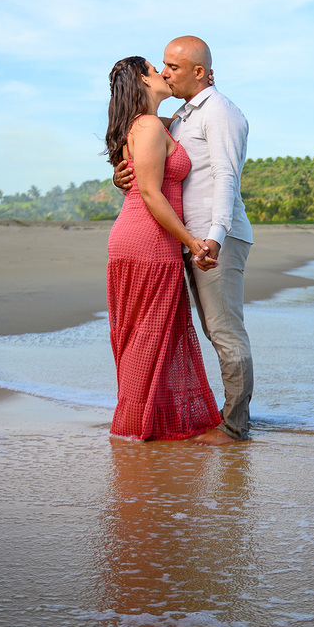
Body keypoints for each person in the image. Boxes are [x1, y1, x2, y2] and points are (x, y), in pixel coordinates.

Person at [114, 36, 254, 446]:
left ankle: (234, 426)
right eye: (161, 66)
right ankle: (195, 415)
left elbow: (226, 176)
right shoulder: (180, 117)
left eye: (172, 67)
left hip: (214, 239)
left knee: (224, 331)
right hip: (186, 240)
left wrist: (214, 237)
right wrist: (121, 176)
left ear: (199, 72)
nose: (165, 73)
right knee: (208, 331)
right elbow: (148, 162)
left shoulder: (220, 111)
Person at [104, 56, 222, 441]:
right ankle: (135, 428)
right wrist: (192, 241)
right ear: (142, 80)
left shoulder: (153, 124)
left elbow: (192, 122)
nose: (164, 74)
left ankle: (141, 423)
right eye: (156, 70)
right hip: (149, 239)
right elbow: (152, 194)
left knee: (145, 335)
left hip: (138, 237)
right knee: (148, 336)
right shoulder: (149, 125)